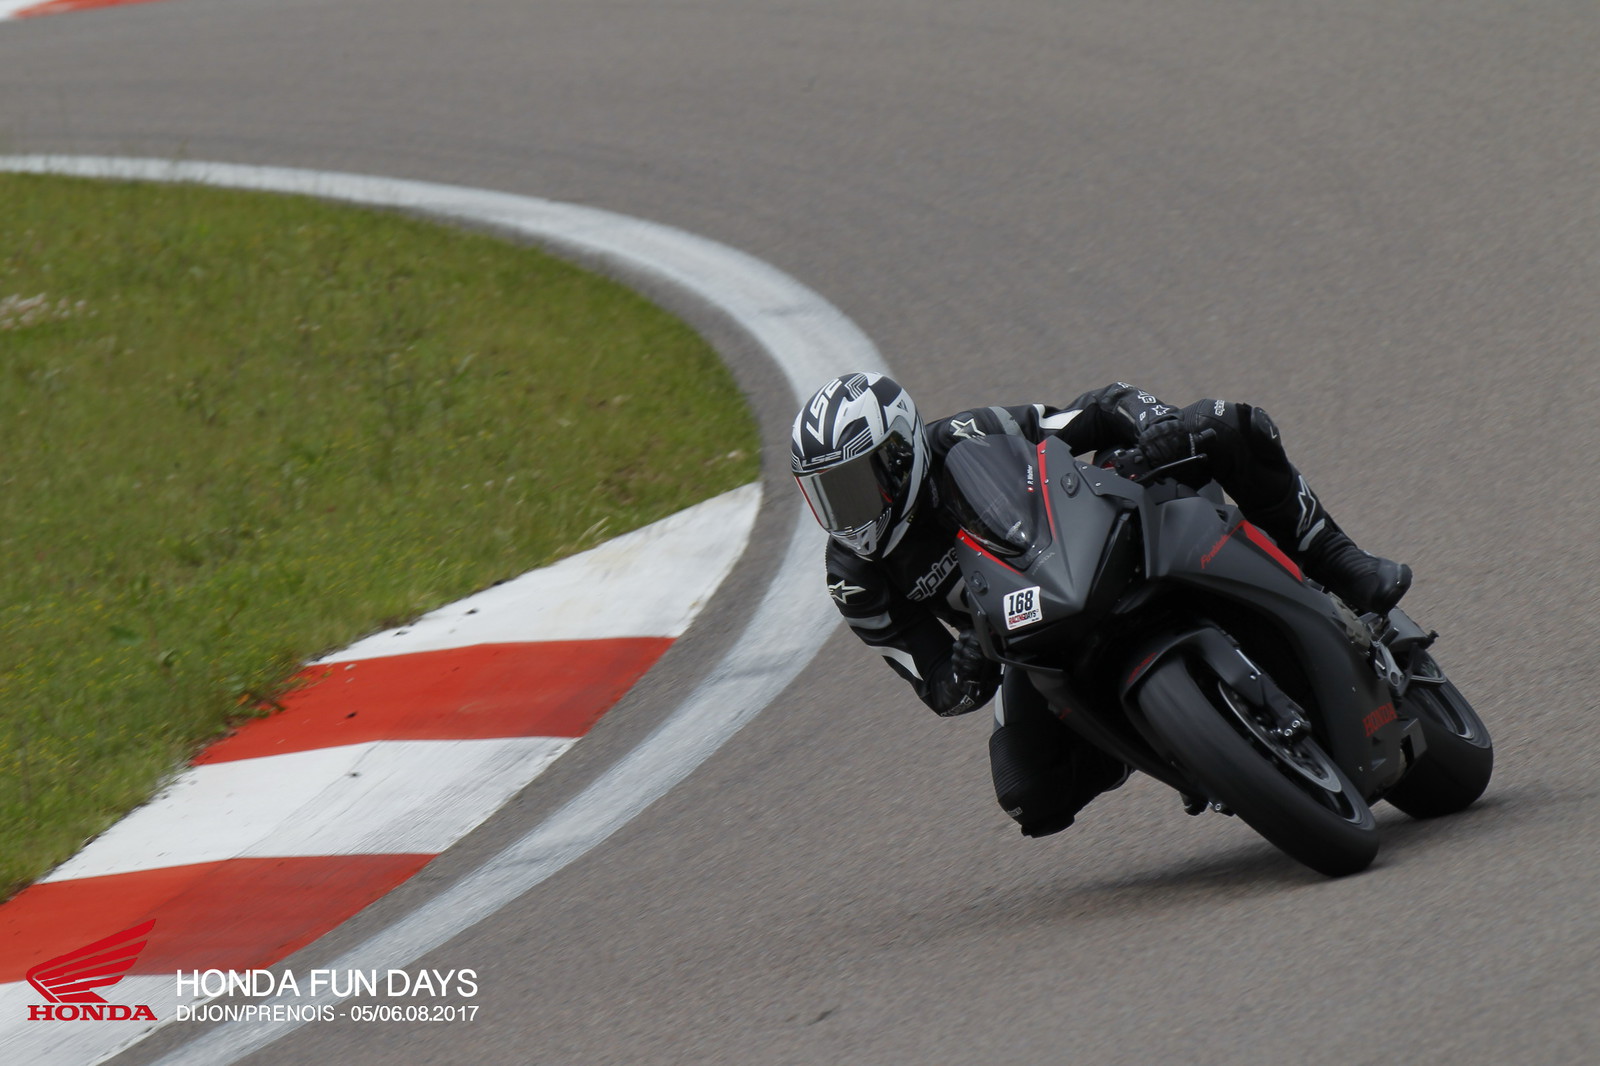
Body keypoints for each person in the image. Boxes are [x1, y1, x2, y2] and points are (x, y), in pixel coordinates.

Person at [791, 373, 1411, 838]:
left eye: (852, 485)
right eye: (825, 496)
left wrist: (1153, 422)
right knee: (1030, 795)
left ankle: (1337, 559)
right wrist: (967, 668)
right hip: (1025, 639)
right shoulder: (854, 580)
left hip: (1088, 544)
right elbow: (938, 688)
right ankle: (1169, 741)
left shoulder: (968, 434)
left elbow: (1094, 411)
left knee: (1221, 424)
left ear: (899, 454)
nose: (844, 513)